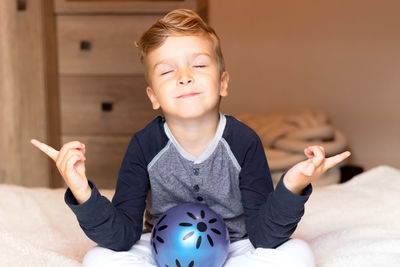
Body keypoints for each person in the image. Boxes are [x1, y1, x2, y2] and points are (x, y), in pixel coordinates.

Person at [31, 9, 350, 267]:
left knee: (298, 255)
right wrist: (82, 192)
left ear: (223, 82)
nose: (184, 76)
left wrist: (292, 187)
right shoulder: (144, 145)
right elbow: (122, 235)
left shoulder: (243, 142)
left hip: (236, 246)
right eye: (167, 71)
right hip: (160, 247)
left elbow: (265, 235)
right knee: (97, 259)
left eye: (198, 64)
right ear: (153, 95)